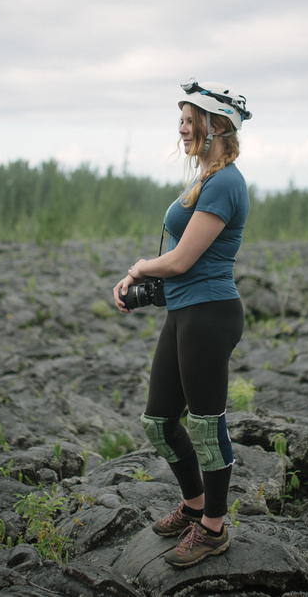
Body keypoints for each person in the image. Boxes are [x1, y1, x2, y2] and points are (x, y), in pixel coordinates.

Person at [113, 78, 252, 568]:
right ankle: (194, 505)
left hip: (210, 314)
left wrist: (137, 270)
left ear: (216, 128)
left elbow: (181, 260)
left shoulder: (227, 183)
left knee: (205, 425)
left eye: (190, 122)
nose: (183, 129)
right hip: (183, 312)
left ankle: (213, 528)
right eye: (182, 121)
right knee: (158, 421)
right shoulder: (204, 181)